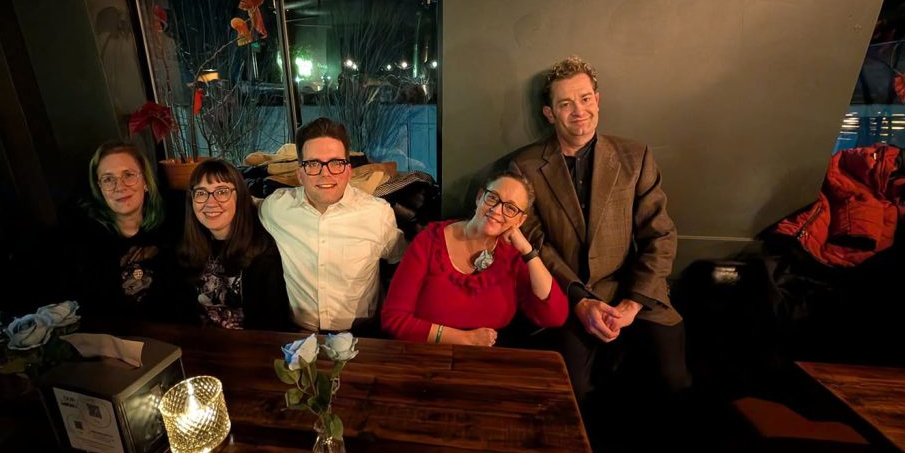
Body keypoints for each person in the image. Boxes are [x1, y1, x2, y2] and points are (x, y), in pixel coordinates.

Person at [509, 56, 691, 420]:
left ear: (598, 99)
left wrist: (633, 304)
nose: (579, 111)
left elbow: (660, 234)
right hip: (567, 294)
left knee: (673, 381)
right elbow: (534, 242)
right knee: (572, 391)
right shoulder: (524, 167)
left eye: (586, 98)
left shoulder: (635, 156)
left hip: (633, 290)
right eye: (565, 103)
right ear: (549, 113)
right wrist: (578, 299)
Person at [382, 172, 567, 345]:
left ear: (520, 221)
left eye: (510, 208)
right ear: (479, 197)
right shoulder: (429, 242)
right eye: (493, 197)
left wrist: (528, 251)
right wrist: (464, 338)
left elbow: (554, 315)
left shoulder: (513, 255)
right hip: (427, 356)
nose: (496, 210)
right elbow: (394, 318)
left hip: (486, 363)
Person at [261, 117, 406, 333]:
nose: (325, 173)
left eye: (336, 163)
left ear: (348, 170)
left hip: (363, 336)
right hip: (299, 335)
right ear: (300, 174)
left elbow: (401, 262)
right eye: (313, 164)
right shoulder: (276, 208)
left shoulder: (377, 214)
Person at [59, 140, 178, 320]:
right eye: (108, 179)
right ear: (100, 189)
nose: (119, 186)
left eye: (128, 175)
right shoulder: (84, 237)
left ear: (145, 181)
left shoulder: (174, 221)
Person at [179, 159, 288, 330]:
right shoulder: (187, 246)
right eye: (201, 193)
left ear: (240, 196)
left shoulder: (265, 252)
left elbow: (271, 326)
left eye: (221, 192)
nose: (210, 202)